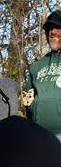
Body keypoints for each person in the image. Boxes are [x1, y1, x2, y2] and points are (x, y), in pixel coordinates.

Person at [25, 9, 61, 139]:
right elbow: (27, 101)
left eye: (58, 27)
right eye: (50, 28)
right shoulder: (37, 67)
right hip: (39, 135)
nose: (53, 32)